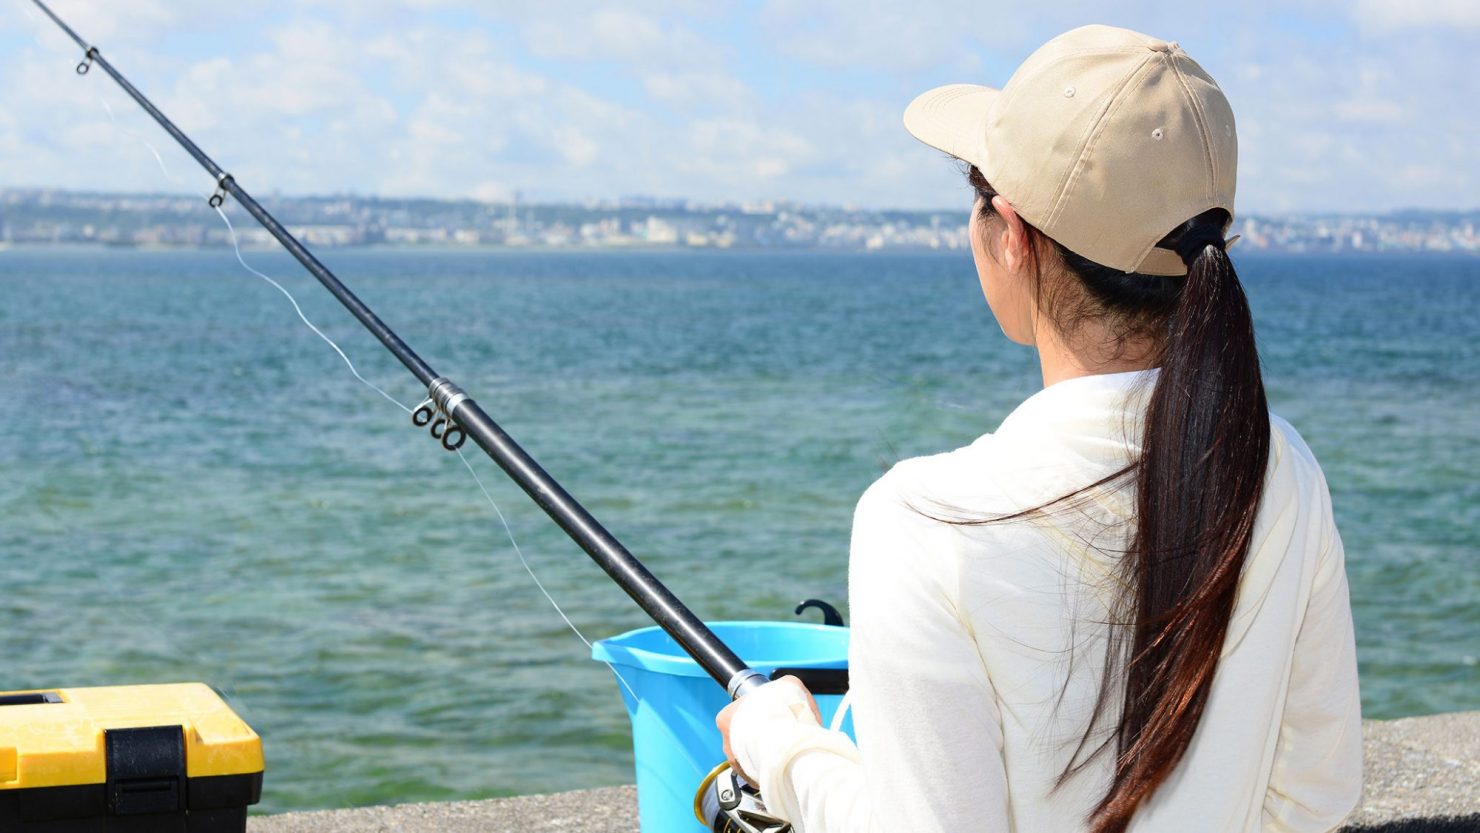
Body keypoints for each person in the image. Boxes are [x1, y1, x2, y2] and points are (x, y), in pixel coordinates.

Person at [717, 24, 1362, 833]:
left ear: (1015, 235)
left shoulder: (923, 522)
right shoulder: (1282, 466)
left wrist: (781, 750)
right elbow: (1316, 798)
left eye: (978, 198)